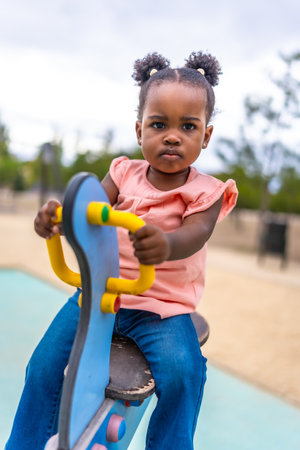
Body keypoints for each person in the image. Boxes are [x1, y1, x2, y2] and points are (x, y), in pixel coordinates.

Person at [6, 51, 238, 450]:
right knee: (44, 365)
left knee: (185, 374)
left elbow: (195, 234)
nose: (171, 135)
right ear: (139, 129)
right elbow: (87, 210)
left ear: (206, 136)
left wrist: (165, 243)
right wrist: (57, 220)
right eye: (159, 124)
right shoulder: (122, 173)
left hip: (160, 309)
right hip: (99, 295)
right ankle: (23, 443)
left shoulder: (206, 192)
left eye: (188, 126)